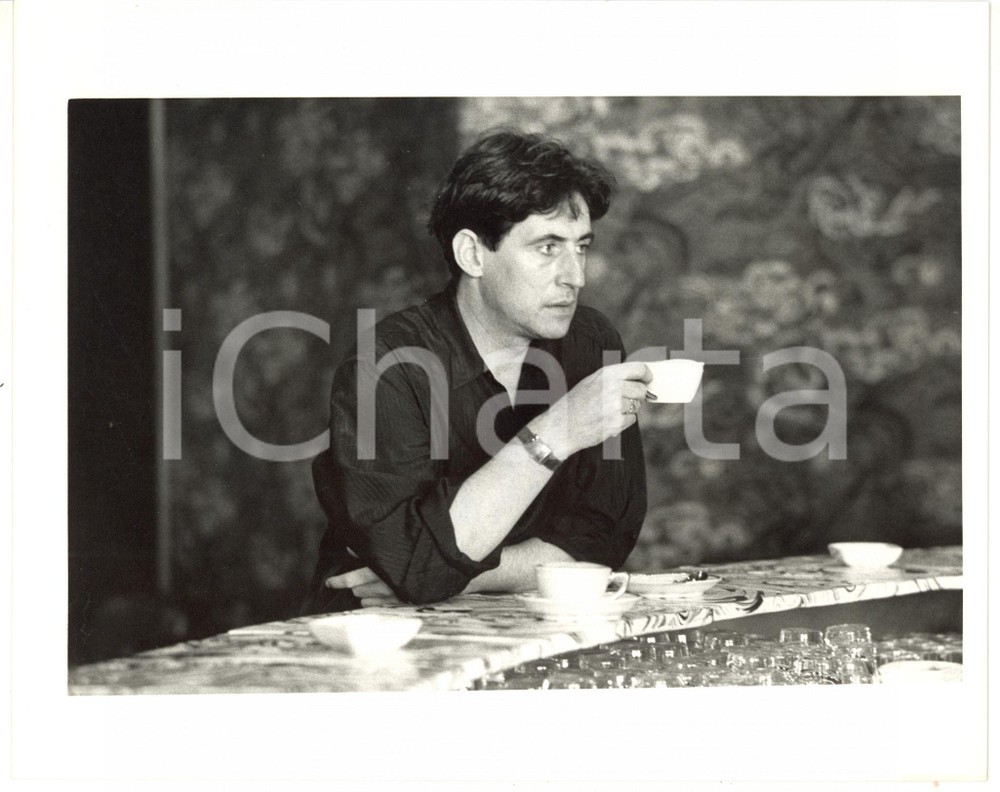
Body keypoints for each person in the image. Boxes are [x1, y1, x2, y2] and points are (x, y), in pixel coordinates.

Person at [301, 130, 651, 614]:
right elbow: (417, 563)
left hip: (523, 623)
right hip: (375, 635)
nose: (576, 277)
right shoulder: (387, 365)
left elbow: (603, 539)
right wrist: (556, 432)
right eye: (548, 248)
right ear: (472, 254)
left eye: (582, 247)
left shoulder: (590, 342)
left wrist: (455, 578)